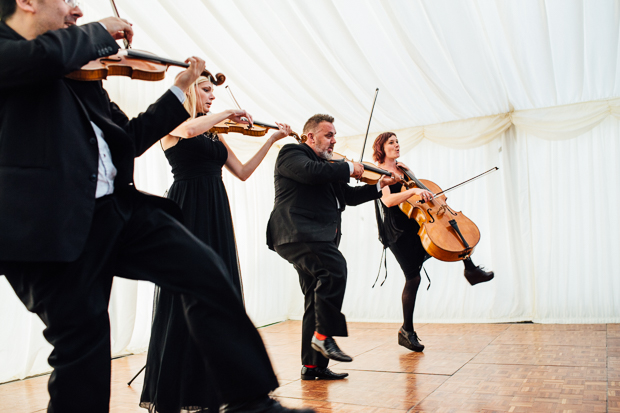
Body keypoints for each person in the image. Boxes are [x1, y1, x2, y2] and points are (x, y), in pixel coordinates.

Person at [0, 1, 313, 412]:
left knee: (205, 270)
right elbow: (35, 60)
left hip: (117, 212)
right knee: (82, 348)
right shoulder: (20, 54)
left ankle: (250, 402)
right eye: (67, 0)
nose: (76, 10)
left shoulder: (79, 72)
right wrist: (98, 31)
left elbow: (128, 139)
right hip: (44, 227)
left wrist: (179, 87)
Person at [140, 75, 292, 413]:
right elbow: (190, 130)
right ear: (190, 89)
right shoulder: (174, 122)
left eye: (214, 91)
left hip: (215, 209)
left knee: (220, 294)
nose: (212, 95)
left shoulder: (214, 135)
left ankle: (218, 387)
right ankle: (176, 388)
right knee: (185, 294)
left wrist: (270, 139)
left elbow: (242, 171)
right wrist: (226, 113)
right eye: (206, 89)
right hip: (187, 207)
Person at [266, 114, 396, 381]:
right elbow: (310, 174)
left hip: (317, 236)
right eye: (328, 135)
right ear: (310, 137)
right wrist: (349, 168)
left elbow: (347, 197)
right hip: (297, 232)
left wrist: (379, 185)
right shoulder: (293, 153)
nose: (334, 141)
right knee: (335, 269)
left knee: (315, 298)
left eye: (335, 135)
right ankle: (324, 336)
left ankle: (313, 367)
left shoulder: (331, 165)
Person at [371, 132, 494, 352]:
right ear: (381, 147)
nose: (397, 145)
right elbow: (388, 201)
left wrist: (424, 194)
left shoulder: (404, 168)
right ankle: (406, 331)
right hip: (397, 230)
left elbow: (418, 197)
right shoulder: (378, 172)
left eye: (398, 141)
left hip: (415, 222)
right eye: (391, 142)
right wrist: (415, 190)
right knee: (413, 278)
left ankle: (470, 268)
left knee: (449, 229)